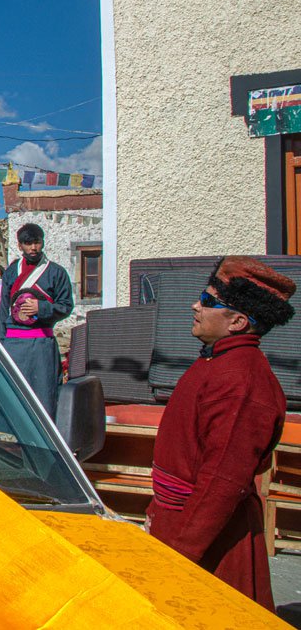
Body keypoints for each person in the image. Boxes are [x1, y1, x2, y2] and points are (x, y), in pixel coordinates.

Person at [147, 257, 295, 609]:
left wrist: (181, 555)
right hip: (175, 519)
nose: (196, 305)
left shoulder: (242, 382)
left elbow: (222, 482)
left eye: (209, 301)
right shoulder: (216, 360)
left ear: (238, 322)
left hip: (209, 539)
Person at [0, 223, 73, 415]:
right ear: (20, 245)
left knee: (43, 396)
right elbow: (4, 308)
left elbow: (66, 306)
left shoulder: (56, 272)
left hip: (41, 345)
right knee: (12, 395)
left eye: (37, 242)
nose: (33, 248)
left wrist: (42, 307)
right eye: (28, 243)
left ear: (42, 243)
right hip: (12, 344)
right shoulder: (12, 272)